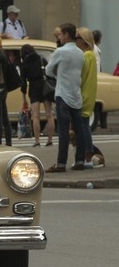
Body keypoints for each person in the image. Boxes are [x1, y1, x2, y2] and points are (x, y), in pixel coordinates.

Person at [45, 23, 85, 172]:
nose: (59, 37)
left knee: (63, 129)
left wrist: (58, 73)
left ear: (67, 34)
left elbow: (49, 71)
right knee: (79, 128)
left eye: (60, 34)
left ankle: (61, 163)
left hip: (62, 93)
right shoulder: (80, 53)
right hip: (76, 94)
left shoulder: (60, 52)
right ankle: (79, 160)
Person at [19, 44, 54, 146]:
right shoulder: (41, 59)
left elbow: (23, 83)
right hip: (45, 86)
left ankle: (37, 141)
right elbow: (49, 73)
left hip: (34, 88)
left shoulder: (24, 64)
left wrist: (24, 98)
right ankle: (50, 140)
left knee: (35, 116)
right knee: (49, 115)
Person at [76, 27, 97, 167]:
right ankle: (87, 155)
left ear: (83, 41)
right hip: (88, 93)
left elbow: (82, 76)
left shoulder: (87, 56)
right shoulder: (91, 55)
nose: (75, 40)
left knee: (83, 127)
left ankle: (87, 155)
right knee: (84, 126)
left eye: (77, 38)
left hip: (84, 94)